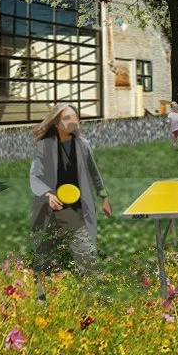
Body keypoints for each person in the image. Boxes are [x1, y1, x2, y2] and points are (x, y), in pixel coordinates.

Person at [28, 104, 111, 281]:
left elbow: (95, 174)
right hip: (50, 207)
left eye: (75, 117)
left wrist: (104, 197)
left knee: (84, 246)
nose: (73, 121)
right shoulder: (44, 146)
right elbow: (35, 176)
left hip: (76, 208)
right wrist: (47, 194)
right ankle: (41, 278)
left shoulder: (83, 145)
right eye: (67, 118)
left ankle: (89, 275)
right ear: (56, 123)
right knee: (44, 247)